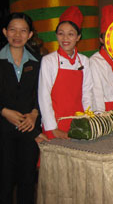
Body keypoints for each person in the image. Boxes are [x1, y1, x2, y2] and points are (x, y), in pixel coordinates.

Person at [0, 12, 46, 204]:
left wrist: (35, 113)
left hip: (29, 128)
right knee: (4, 182)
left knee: (28, 181)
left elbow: (43, 93)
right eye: (12, 30)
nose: (17, 35)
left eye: (23, 31)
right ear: (5, 32)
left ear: (30, 35)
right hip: (2, 129)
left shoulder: (39, 62)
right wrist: (4, 111)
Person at [38, 6, 94, 140]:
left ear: (78, 37)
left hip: (78, 122)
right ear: (56, 35)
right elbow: (44, 96)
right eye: (61, 33)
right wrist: (53, 128)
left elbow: (87, 92)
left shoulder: (84, 61)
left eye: (71, 34)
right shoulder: (48, 61)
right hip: (55, 122)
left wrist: (88, 119)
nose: (65, 38)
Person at [90, 5, 113, 112]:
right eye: (108, 36)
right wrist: (101, 118)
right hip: (102, 111)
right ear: (101, 39)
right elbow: (96, 93)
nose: (112, 40)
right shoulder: (95, 61)